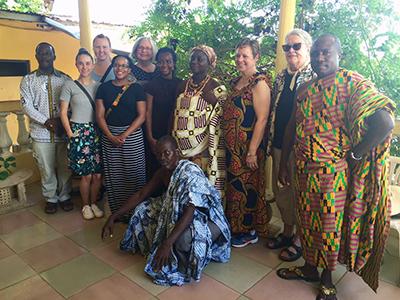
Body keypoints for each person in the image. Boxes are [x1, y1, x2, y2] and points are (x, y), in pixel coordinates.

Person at [276, 34, 395, 300]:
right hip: (304, 171)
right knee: (305, 223)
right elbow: (291, 127)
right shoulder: (305, 88)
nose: (320, 58)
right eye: (316, 53)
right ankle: (309, 268)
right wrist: (283, 163)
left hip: (333, 175)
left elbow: (385, 123)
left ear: (339, 54)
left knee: (328, 228)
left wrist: (354, 155)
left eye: (326, 53)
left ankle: (327, 280)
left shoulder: (352, 83)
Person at [101, 136, 231, 286]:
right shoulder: (163, 172)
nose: (162, 158)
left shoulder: (189, 173)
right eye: (159, 155)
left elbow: (190, 211)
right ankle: (159, 249)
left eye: (167, 153)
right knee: (142, 210)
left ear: (177, 152)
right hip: (183, 214)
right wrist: (114, 216)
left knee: (181, 241)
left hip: (205, 219)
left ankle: (183, 261)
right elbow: (141, 194)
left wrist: (167, 243)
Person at [265, 29, 315, 260]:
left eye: (296, 46)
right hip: (278, 144)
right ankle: (287, 231)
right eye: (287, 47)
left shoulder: (316, 78)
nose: (291, 51)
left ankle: (299, 239)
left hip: (303, 148)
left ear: (307, 48)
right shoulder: (281, 77)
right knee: (282, 190)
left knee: (300, 193)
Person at [223, 38, 272, 247]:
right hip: (232, 149)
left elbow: (262, 119)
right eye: (238, 55)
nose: (240, 59)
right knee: (234, 188)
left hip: (247, 149)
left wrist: (252, 151)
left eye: (245, 56)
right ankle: (235, 226)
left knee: (247, 188)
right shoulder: (236, 82)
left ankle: (248, 230)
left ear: (256, 57)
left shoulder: (259, 83)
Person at [20, 42, 73, 214]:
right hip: (40, 133)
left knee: (64, 166)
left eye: (48, 54)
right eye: (41, 54)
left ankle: (65, 196)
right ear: (36, 56)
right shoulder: (28, 80)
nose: (45, 57)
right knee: (46, 168)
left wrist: (60, 121)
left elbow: (73, 102)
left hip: (62, 132)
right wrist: (46, 122)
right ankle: (51, 198)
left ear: (54, 56)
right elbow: (26, 106)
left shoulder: (65, 79)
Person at [96, 55, 146, 223]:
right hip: (109, 135)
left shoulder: (137, 89)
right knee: (115, 175)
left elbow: (142, 116)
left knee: (134, 173)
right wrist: (110, 136)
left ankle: (135, 212)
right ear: (112, 67)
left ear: (129, 69)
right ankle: (118, 212)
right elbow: (100, 115)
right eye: (117, 65)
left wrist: (124, 134)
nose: (120, 69)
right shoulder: (103, 88)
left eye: (124, 66)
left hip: (132, 136)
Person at [172, 45, 227, 195]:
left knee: (198, 188)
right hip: (180, 148)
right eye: (192, 58)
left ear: (210, 63)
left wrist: (214, 101)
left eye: (200, 59)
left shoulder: (215, 86)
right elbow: (175, 114)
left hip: (201, 149)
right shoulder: (182, 85)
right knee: (182, 188)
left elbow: (223, 114)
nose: (195, 62)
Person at [59, 48, 103, 220]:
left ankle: (94, 203)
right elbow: (63, 112)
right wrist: (70, 133)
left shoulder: (98, 86)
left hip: (96, 132)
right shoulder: (69, 85)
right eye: (80, 63)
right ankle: (85, 205)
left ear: (92, 65)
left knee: (98, 174)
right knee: (86, 174)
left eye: (87, 63)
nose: (84, 66)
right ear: (76, 65)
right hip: (79, 131)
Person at [144, 47, 182, 177]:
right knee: (155, 169)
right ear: (157, 63)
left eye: (168, 61)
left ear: (174, 63)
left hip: (175, 133)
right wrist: (150, 137)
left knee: (173, 169)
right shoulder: (152, 85)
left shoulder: (181, 84)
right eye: (161, 62)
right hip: (156, 133)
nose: (164, 65)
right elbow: (148, 112)